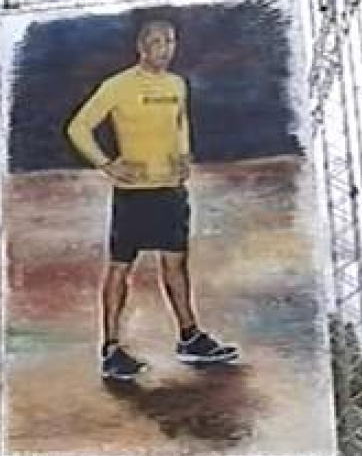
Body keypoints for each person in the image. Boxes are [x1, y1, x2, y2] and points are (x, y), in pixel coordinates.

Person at [66, 19, 238, 381]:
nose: (165, 49)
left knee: (176, 265)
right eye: (157, 42)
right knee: (120, 268)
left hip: (170, 190)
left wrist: (184, 155)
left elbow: (180, 122)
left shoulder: (177, 84)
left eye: (170, 42)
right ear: (142, 47)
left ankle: (190, 338)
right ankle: (111, 349)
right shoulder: (118, 85)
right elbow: (78, 128)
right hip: (133, 194)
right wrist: (106, 164)